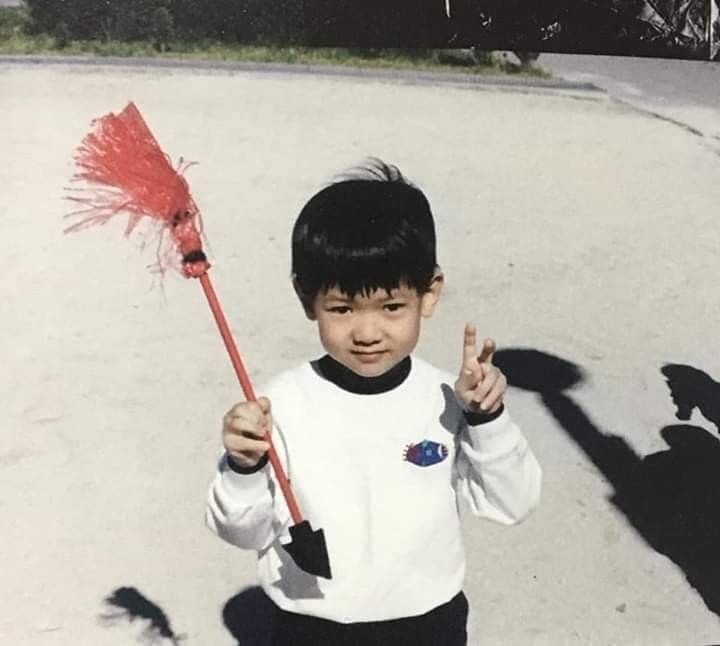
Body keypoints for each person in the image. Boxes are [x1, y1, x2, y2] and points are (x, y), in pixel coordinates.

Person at [206, 160, 542, 646]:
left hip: (427, 623)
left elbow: (513, 503)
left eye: (391, 307)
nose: (367, 332)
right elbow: (240, 531)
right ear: (306, 299)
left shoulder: (448, 397)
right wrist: (243, 467)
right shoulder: (277, 407)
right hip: (312, 629)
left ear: (429, 294)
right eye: (341, 308)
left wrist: (487, 419)